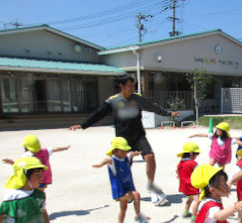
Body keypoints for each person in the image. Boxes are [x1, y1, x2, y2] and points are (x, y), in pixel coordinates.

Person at [68, 75, 179, 206]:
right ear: (121, 86)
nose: (132, 88)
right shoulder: (113, 100)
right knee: (123, 167)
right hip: (122, 140)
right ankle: (128, 191)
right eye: (129, 86)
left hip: (138, 136)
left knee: (149, 156)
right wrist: (83, 125)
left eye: (133, 86)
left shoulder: (138, 98)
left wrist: (168, 113)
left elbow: (152, 106)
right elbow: (98, 113)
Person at [93, 137, 148, 223]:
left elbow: (131, 154)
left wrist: (138, 153)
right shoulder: (113, 161)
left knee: (123, 207)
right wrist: (100, 164)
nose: (126, 152)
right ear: (116, 151)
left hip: (128, 187)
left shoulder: (126, 157)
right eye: (124, 150)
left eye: (126, 150)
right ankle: (138, 215)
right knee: (136, 195)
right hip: (120, 190)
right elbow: (107, 160)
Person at [2, 134, 70, 191]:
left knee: (37, 194)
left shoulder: (34, 154)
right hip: (39, 179)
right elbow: (54, 149)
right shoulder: (38, 153)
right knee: (37, 193)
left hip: (38, 180)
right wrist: (12, 163)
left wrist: (65, 148)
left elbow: (54, 149)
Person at [177, 142, 200, 221]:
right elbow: (198, 173)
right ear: (191, 154)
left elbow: (177, 171)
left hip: (184, 185)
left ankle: (186, 212)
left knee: (190, 198)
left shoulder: (180, 163)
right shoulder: (193, 163)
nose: (196, 156)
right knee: (198, 200)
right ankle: (194, 216)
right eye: (196, 154)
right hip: (191, 185)